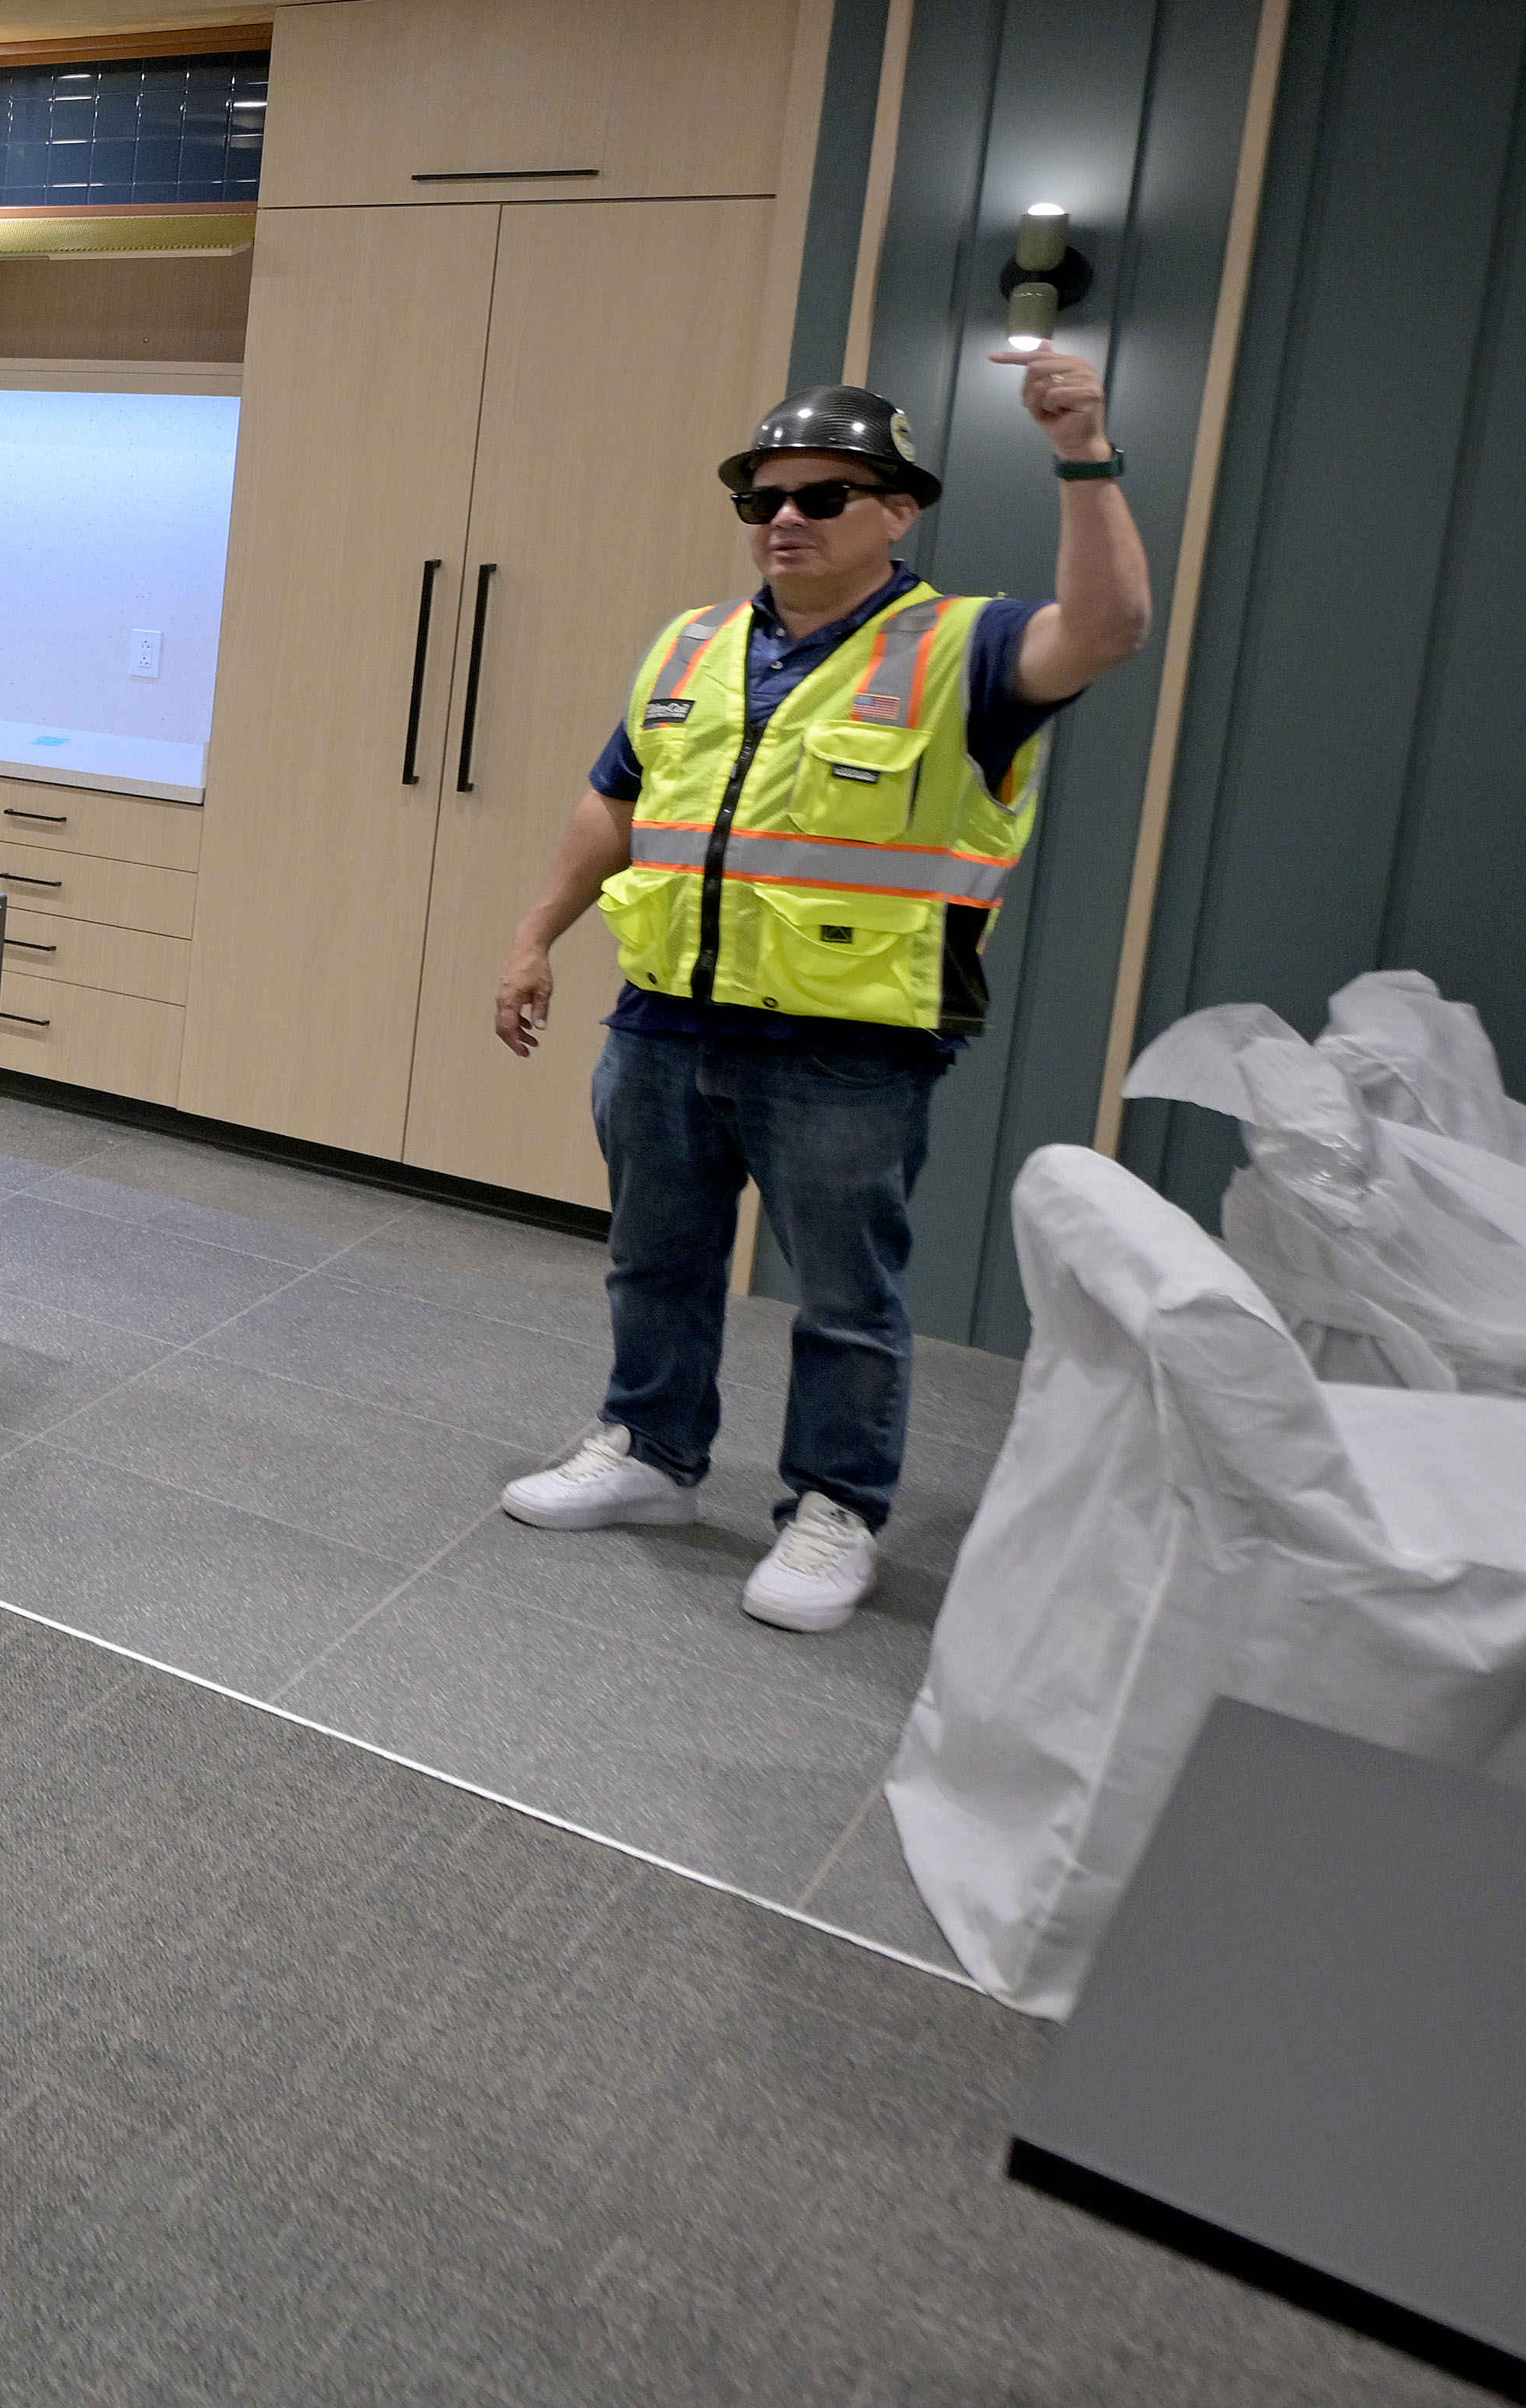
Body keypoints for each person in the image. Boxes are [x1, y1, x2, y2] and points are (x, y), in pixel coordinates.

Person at [482, 361, 1149, 1627]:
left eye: (825, 494)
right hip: (666, 1016)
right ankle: (651, 1452)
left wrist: (1086, 454)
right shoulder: (692, 643)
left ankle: (835, 1510)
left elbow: (1108, 629)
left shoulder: (971, 649)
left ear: (900, 511)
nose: (785, 516)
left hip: (848, 1043)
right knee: (654, 1258)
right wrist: (535, 936)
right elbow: (614, 800)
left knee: (846, 1296)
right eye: (762, 495)